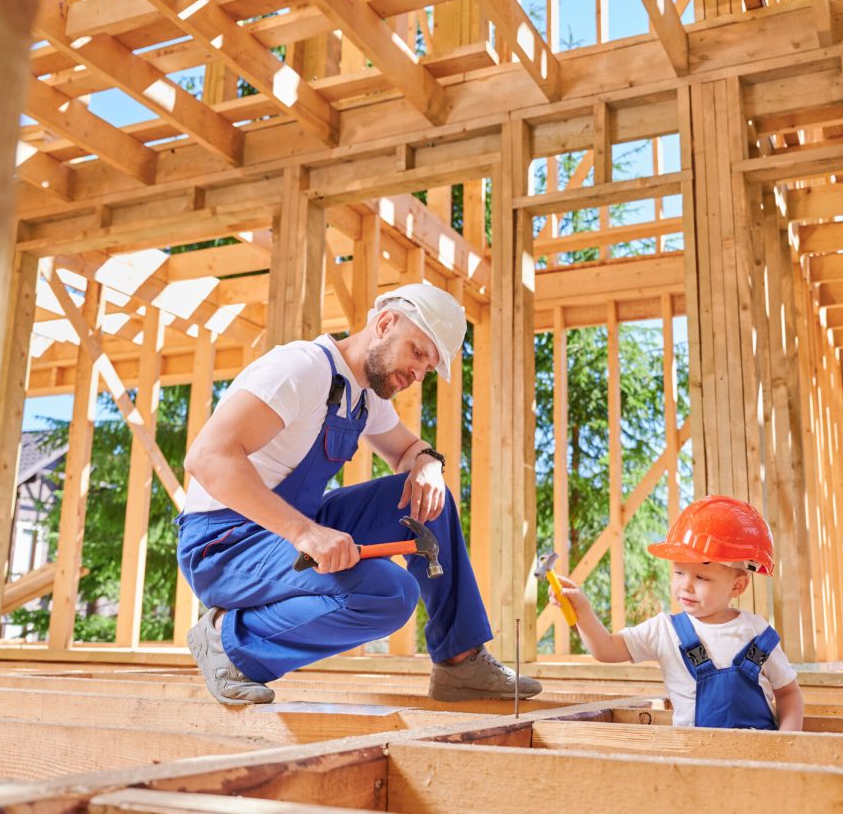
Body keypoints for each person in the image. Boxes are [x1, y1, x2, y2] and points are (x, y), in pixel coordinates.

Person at [176, 282, 541, 706]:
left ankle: (461, 662)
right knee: (389, 593)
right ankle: (229, 641)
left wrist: (428, 465)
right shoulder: (301, 369)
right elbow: (208, 458)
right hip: (224, 545)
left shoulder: (363, 396)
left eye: (427, 369)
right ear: (385, 324)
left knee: (428, 501)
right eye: (418, 353)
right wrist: (304, 534)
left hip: (289, 531)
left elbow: (407, 449)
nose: (417, 374)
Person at [553, 495, 804, 731]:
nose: (686, 585)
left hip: (758, 762)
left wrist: (786, 743)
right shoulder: (665, 631)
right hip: (692, 759)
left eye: (702, 577)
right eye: (678, 573)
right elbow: (605, 649)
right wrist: (583, 611)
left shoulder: (757, 635)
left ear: (737, 585)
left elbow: (788, 693)